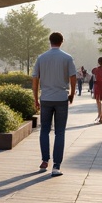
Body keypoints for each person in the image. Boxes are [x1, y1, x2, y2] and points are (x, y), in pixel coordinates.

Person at [32, 32, 77, 177]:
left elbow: (35, 79)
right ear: (62, 41)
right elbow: (73, 77)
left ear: (49, 41)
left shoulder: (41, 58)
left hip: (45, 98)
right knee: (60, 132)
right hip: (61, 98)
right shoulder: (67, 58)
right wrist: (72, 94)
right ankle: (56, 166)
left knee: (44, 130)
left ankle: (45, 160)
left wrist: (35, 98)